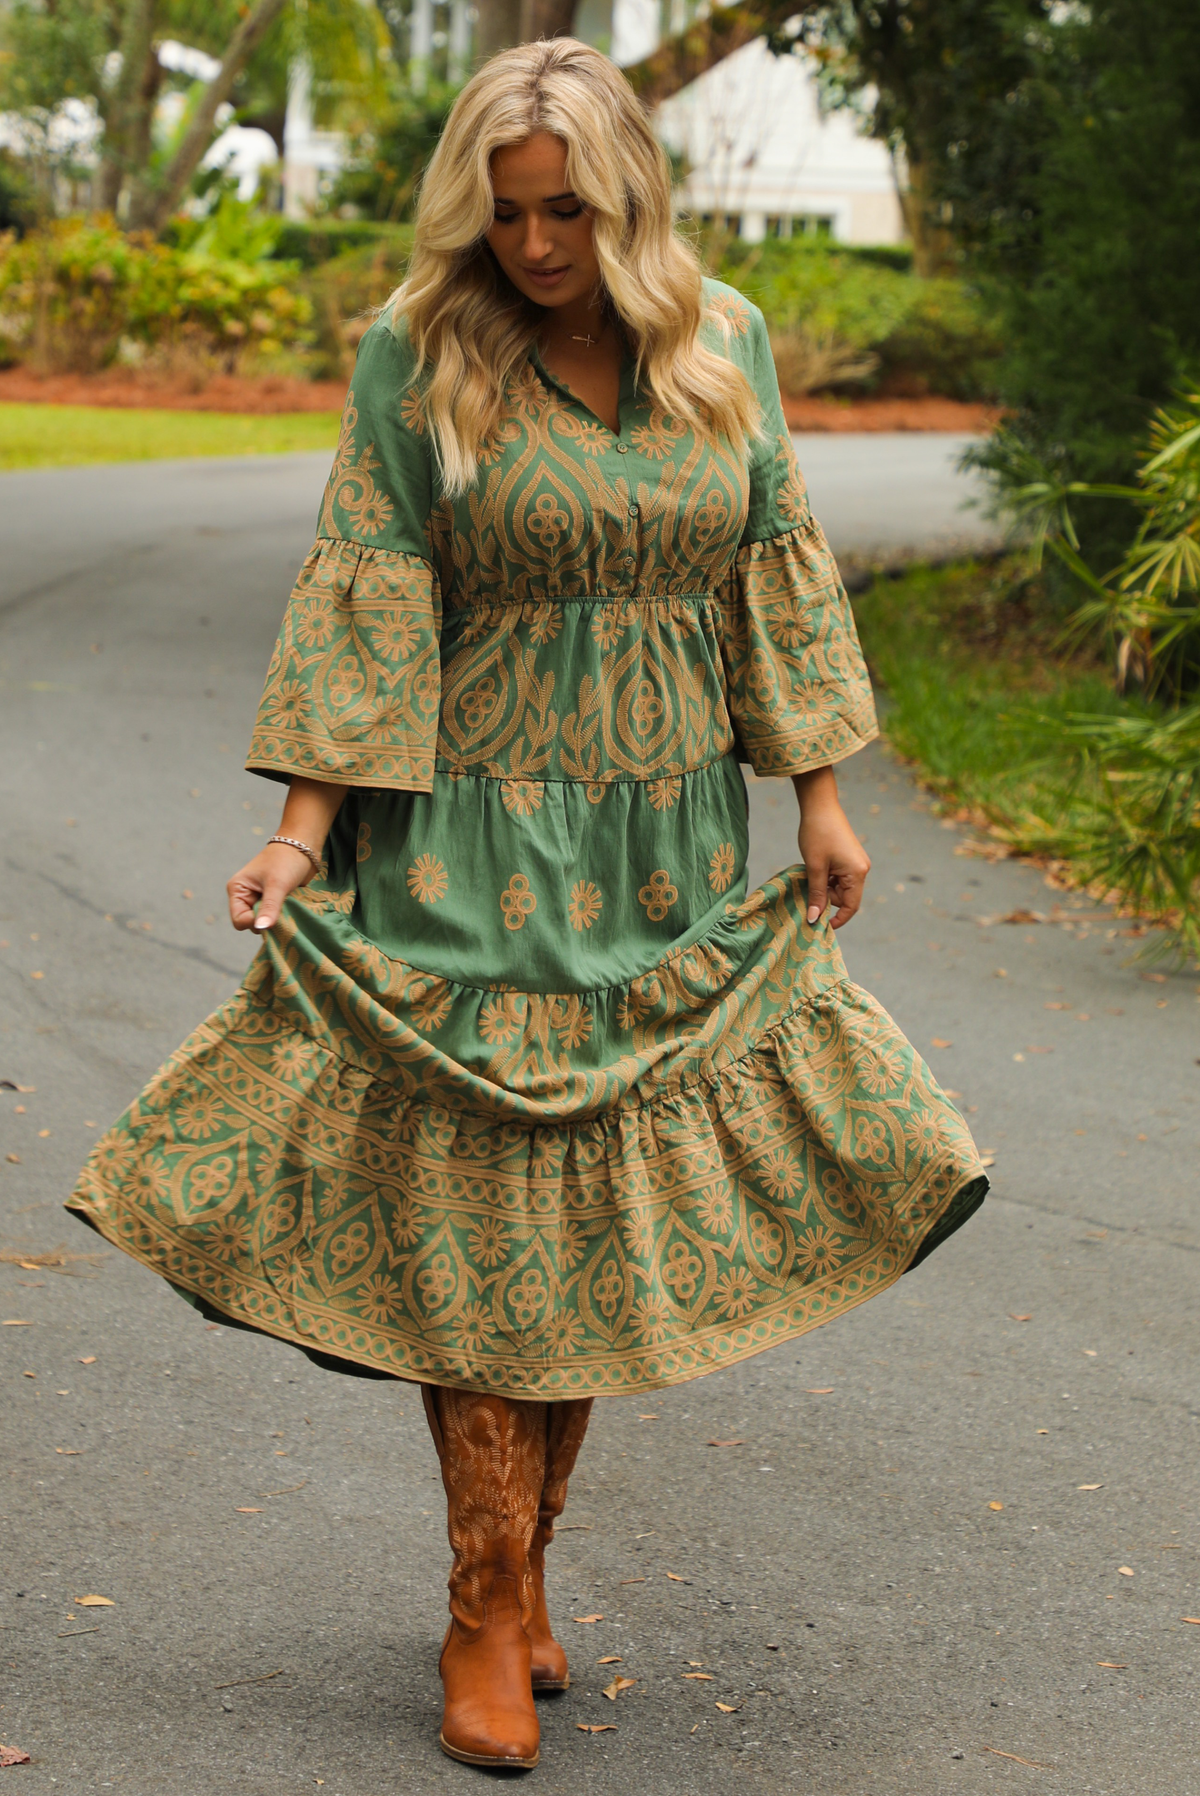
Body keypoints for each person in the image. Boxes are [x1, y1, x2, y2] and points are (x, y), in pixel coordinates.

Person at [68, 37, 988, 1773]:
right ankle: (483, 1596)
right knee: (494, 1208)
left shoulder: (728, 343)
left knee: (582, 1200)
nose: (541, 244)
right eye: (509, 213)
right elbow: (369, 584)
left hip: (665, 844)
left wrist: (823, 792)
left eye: (570, 209)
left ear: (630, 196)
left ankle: (532, 1564)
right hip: (463, 837)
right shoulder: (422, 350)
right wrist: (297, 828)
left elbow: (770, 562)